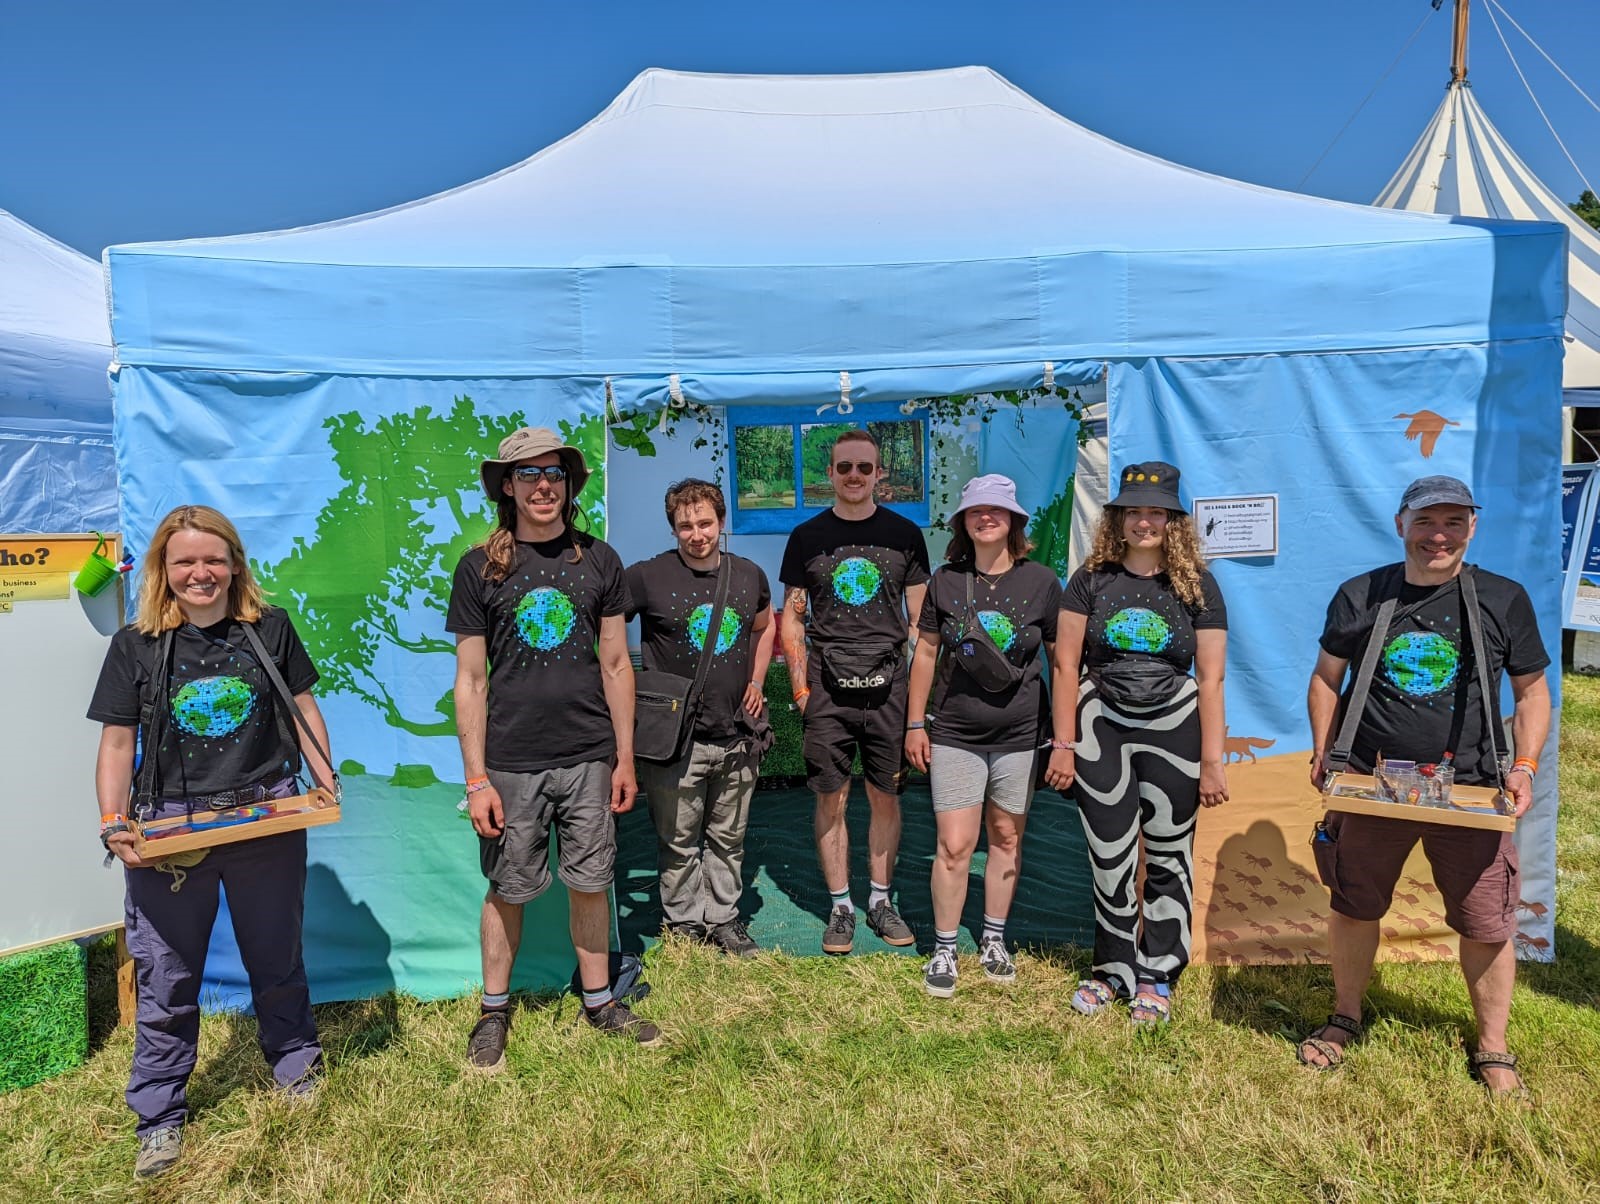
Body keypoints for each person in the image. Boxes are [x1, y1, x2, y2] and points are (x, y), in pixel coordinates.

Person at [89, 505, 337, 1180]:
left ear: (234, 565)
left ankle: (295, 1069)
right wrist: (113, 820)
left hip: (266, 814)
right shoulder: (136, 644)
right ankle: (159, 1116)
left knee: (276, 957)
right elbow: (117, 742)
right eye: (185, 562)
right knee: (166, 977)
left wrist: (325, 782)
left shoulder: (269, 627)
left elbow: (303, 708)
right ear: (162, 570)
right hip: (172, 827)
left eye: (213, 559)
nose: (200, 573)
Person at [1300, 475, 1550, 1101]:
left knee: (1485, 921)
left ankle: (1493, 1047)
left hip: (1471, 790)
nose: (1439, 535)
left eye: (1454, 522)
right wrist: (1326, 752)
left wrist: (1523, 766)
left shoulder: (1504, 599)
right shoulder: (1362, 594)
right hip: (1370, 782)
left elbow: (1531, 693)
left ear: (1472, 527)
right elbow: (1326, 678)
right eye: (1426, 521)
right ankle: (1345, 1017)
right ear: (1401, 524)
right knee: (1354, 904)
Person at [447, 426, 656, 1066]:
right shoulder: (479, 567)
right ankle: (493, 1012)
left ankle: (599, 1001)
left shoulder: (599, 560)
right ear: (507, 487)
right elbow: (470, 680)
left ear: (569, 485)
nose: (544, 486)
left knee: (591, 882)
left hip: (590, 756)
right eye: (529, 474)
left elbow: (617, 665)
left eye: (555, 474)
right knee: (507, 889)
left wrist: (624, 758)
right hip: (510, 763)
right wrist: (476, 780)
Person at [1055, 461, 1229, 1025]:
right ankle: (1113, 970)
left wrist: (1212, 762)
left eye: (1157, 512)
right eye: (1134, 511)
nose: (1145, 521)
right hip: (1099, 726)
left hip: (1175, 727)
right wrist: (1062, 744)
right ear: (1119, 519)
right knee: (1110, 857)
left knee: (1170, 855)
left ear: (1174, 521)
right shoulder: (1090, 579)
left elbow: (1212, 679)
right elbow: (1064, 666)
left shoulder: (1197, 585)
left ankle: (1158, 974)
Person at [904, 475, 1066, 997]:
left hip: (1021, 734)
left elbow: (1062, 662)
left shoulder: (1043, 582)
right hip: (955, 732)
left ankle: (994, 939)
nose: (986, 517)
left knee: (1006, 838)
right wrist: (915, 723)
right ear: (964, 522)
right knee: (954, 845)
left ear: (1014, 520)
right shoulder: (946, 581)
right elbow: (926, 653)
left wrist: (1064, 739)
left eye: (996, 510)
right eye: (976, 510)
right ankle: (945, 947)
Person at [779, 428, 930, 954]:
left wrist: (915, 701)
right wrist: (801, 692)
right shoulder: (806, 537)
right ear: (830, 474)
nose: (854, 476)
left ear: (879, 473)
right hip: (827, 690)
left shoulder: (905, 535)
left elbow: (921, 623)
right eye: (844, 467)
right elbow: (792, 619)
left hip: (889, 689)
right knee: (832, 796)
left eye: (864, 467)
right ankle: (841, 906)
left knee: (885, 796)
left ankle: (881, 901)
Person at [627, 479, 775, 956]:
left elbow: (765, 624)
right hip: (674, 739)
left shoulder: (748, 575)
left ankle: (724, 919)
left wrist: (757, 681)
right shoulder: (646, 577)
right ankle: (684, 923)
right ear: (673, 528)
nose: (697, 535)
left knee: (729, 838)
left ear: (722, 522)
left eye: (705, 523)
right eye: (685, 526)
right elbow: (603, 624)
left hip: (736, 734)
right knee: (677, 840)